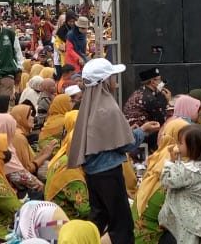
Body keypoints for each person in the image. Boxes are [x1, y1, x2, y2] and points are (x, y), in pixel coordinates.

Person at [68, 58, 161, 244]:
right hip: (109, 173)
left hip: (94, 172)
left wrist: (126, 130)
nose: (116, 83)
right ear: (104, 82)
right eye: (112, 78)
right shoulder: (108, 108)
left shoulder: (89, 104)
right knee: (122, 225)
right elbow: (125, 145)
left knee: (98, 219)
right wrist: (142, 131)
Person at [158, 124, 201, 244]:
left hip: (185, 221)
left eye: (180, 143)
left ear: (192, 147)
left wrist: (171, 162)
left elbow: (166, 181)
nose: (177, 146)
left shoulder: (185, 170)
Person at [44, 110, 89, 219]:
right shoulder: (73, 173)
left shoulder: (63, 157)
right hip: (65, 222)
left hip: (51, 215)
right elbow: (85, 210)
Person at [123, 68, 169, 151]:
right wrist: (167, 101)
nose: (161, 82)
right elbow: (161, 119)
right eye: (159, 80)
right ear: (152, 82)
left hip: (132, 132)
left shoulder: (141, 92)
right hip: (141, 134)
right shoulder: (148, 97)